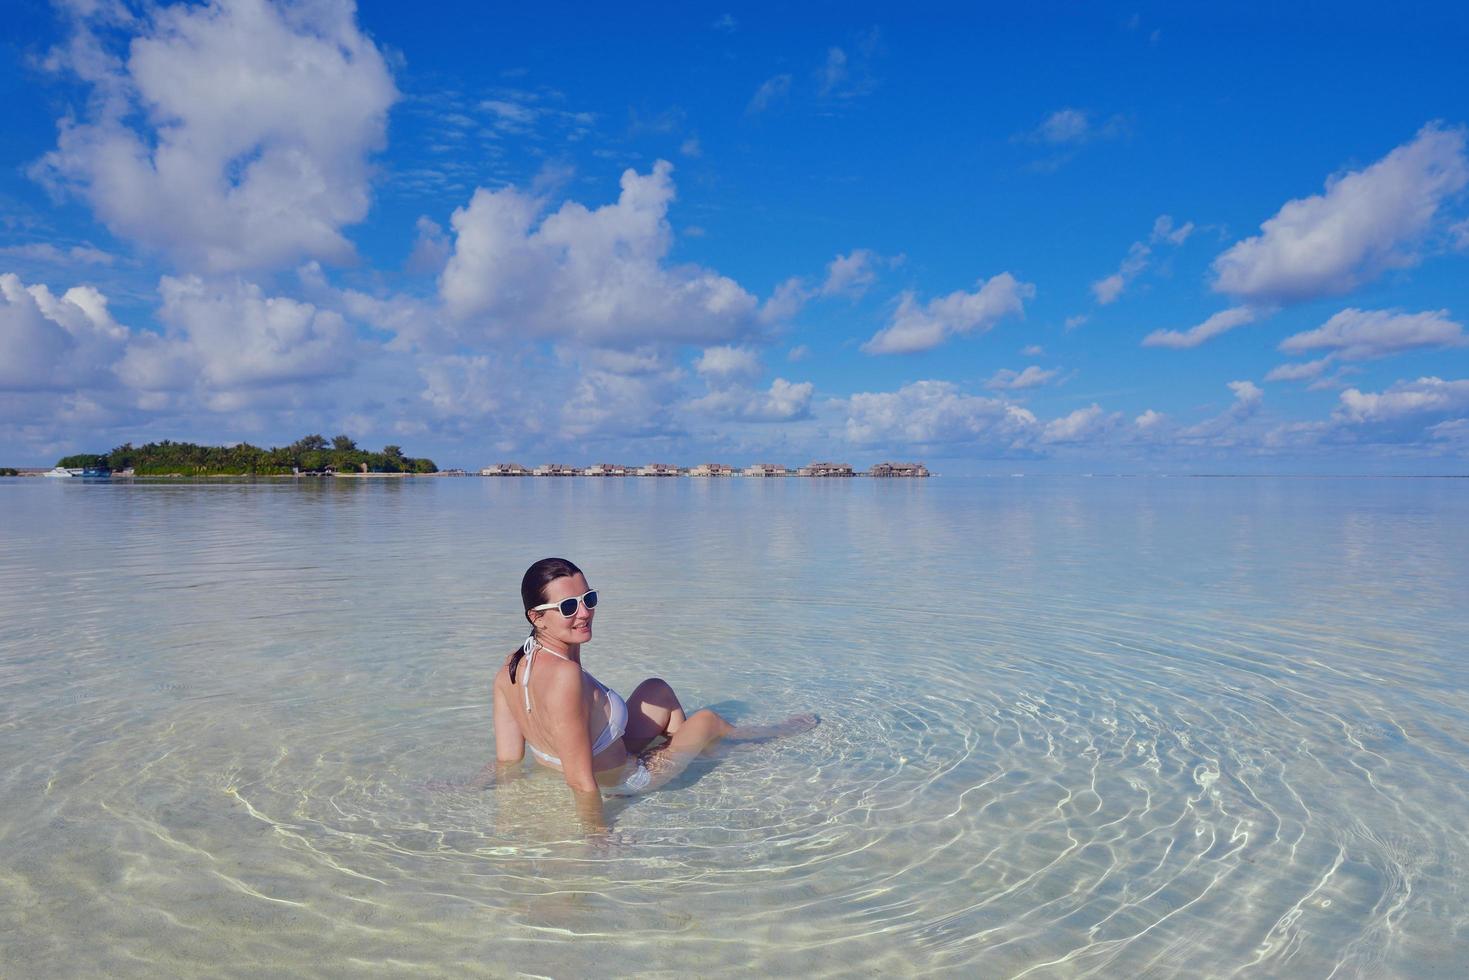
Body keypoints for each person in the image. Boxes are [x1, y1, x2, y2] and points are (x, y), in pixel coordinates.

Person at [491, 557, 816, 831]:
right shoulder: (566, 675)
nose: (584, 612)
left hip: (595, 758)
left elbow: (508, 759)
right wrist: (597, 835)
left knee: (655, 690)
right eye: (568, 606)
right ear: (537, 617)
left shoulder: (513, 664)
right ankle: (757, 738)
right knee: (707, 720)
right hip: (623, 781)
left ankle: (695, 752)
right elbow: (579, 780)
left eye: (588, 599)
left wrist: (477, 786)